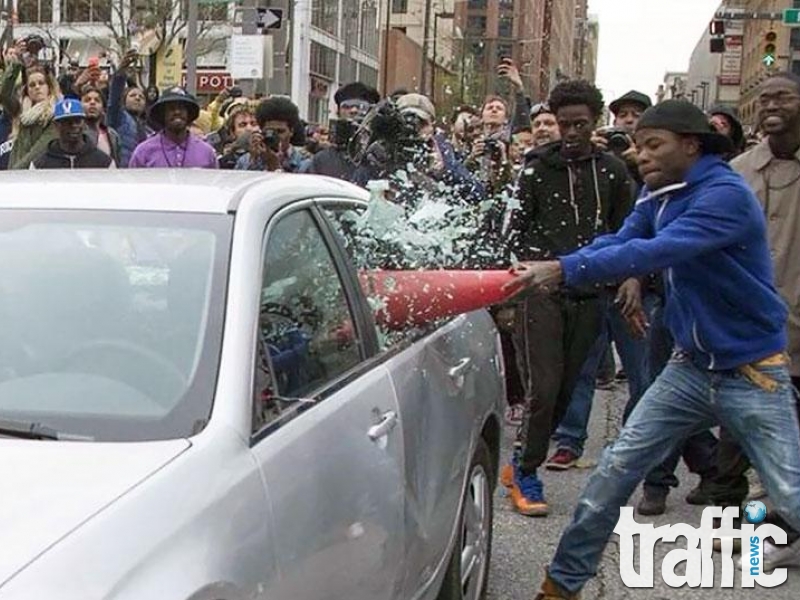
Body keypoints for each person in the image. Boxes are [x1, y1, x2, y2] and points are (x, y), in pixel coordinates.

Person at [503, 99, 800, 600]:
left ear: (692, 145)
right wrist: (557, 263)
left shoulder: (723, 195)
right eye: (638, 146)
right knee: (613, 474)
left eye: (653, 145)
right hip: (690, 368)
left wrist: (559, 272)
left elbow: (656, 251)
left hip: (753, 371)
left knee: (791, 493)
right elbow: (621, 240)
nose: (641, 155)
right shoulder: (658, 192)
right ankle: (560, 588)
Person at [501, 80, 634, 517]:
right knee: (543, 386)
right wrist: (513, 288)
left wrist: (627, 279)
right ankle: (526, 471)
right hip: (539, 292)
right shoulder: (537, 167)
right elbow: (512, 232)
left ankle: (524, 458)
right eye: (564, 124)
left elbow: (626, 232)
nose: (572, 132)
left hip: (590, 293)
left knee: (568, 389)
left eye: (581, 124)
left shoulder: (613, 171)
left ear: (595, 122)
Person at [702, 72, 800, 567]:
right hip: (750, 331)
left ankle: (785, 529)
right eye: (763, 98)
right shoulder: (737, 171)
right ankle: (753, 522)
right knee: (742, 430)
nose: (770, 105)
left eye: (782, 96)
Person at [303, 82, 379, 180]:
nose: (354, 110)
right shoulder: (322, 160)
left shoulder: (380, 158)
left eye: (361, 106)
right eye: (346, 106)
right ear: (338, 112)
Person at [129, 87, 217, 169]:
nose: (177, 112)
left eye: (182, 108)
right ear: (163, 114)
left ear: (188, 113)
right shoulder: (143, 152)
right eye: (171, 108)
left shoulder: (207, 152)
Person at [31, 98, 114, 169]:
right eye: (67, 122)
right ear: (56, 125)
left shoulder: (104, 163)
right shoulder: (39, 165)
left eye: (77, 121)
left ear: (84, 123)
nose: (74, 126)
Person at [236, 96, 307, 173]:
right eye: (270, 132)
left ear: (291, 131)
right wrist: (253, 161)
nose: (276, 137)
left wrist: (275, 166)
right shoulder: (245, 160)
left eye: (280, 131)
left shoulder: (303, 162)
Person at [80, 84, 121, 165]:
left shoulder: (113, 135)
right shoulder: (76, 133)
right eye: (87, 100)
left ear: (103, 108)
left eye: (97, 100)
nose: (92, 103)